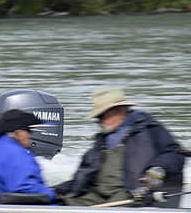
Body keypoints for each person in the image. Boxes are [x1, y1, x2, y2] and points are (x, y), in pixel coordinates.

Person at [55, 88, 185, 206]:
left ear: (119, 112)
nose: (99, 121)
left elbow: (176, 154)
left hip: (131, 194)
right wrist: (58, 190)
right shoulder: (101, 141)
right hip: (96, 194)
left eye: (101, 116)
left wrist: (158, 169)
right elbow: (83, 178)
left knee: (110, 210)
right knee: (60, 203)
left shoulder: (150, 129)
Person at [0, 109, 56, 202]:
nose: (30, 136)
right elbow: (26, 190)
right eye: (28, 131)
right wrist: (52, 194)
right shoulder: (16, 154)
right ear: (17, 133)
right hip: (21, 212)